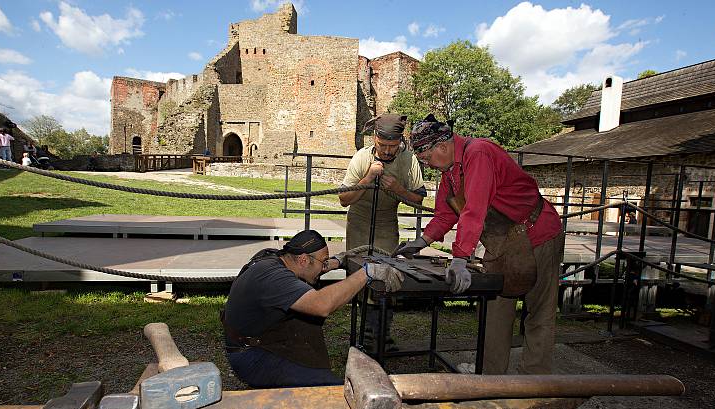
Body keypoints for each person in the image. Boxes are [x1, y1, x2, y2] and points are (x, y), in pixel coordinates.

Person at [393, 114, 564, 375]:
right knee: (495, 311)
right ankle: (490, 375)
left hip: (537, 234)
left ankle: (534, 380)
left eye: (426, 158)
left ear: (442, 146)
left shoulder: (479, 153)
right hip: (502, 243)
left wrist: (460, 258)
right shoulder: (449, 172)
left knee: (539, 312)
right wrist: (421, 241)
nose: (426, 164)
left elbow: (474, 210)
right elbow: (446, 214)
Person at [222, 229, 404, 388]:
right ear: (303, 260)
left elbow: (308, 268)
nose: (324, 267)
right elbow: (321, 305)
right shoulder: (275, 278)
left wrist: (336, 262)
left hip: (256, 340)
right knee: (331, 390)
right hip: (251, 356)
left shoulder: (275, 258)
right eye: (323, 262)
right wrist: (367, 273)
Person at [338, 114, 426, 350]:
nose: (387, 151)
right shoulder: (361, 157)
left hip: (387, 223)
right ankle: (364, 336)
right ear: (375, 138)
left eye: (392, 146)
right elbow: (344, 199)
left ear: (400, 141)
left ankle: (382, 336)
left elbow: (419, 200)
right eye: (382, 146)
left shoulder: (408, 161)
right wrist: (367, 178)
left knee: (386, 277)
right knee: (359, 276)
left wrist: (398, 189)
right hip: (359, 222)